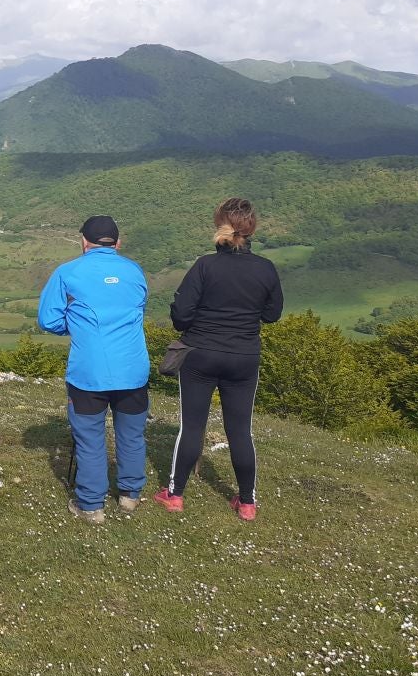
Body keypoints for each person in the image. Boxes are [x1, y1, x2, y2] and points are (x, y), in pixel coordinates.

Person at [155, 197, 283, 521]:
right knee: (240, 430)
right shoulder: (265, 269)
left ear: (219, 225)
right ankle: (247, 502)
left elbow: (182, 316)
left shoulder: (204, 266)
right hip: (244, 357)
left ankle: (174, 495)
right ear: (251, 227)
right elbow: (272, 315)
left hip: (201, 354)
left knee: (192, 426)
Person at [38, 215, 150, 525]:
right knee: (132, 434)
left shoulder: (68, 272)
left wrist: (76, 328)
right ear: (118, 243)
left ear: (84, 242)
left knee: (89, 437)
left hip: (89, 373)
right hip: (133, 369)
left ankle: (91, 506)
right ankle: (129, 496)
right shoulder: (134, 271)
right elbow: (139, 306)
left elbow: (48, 320)